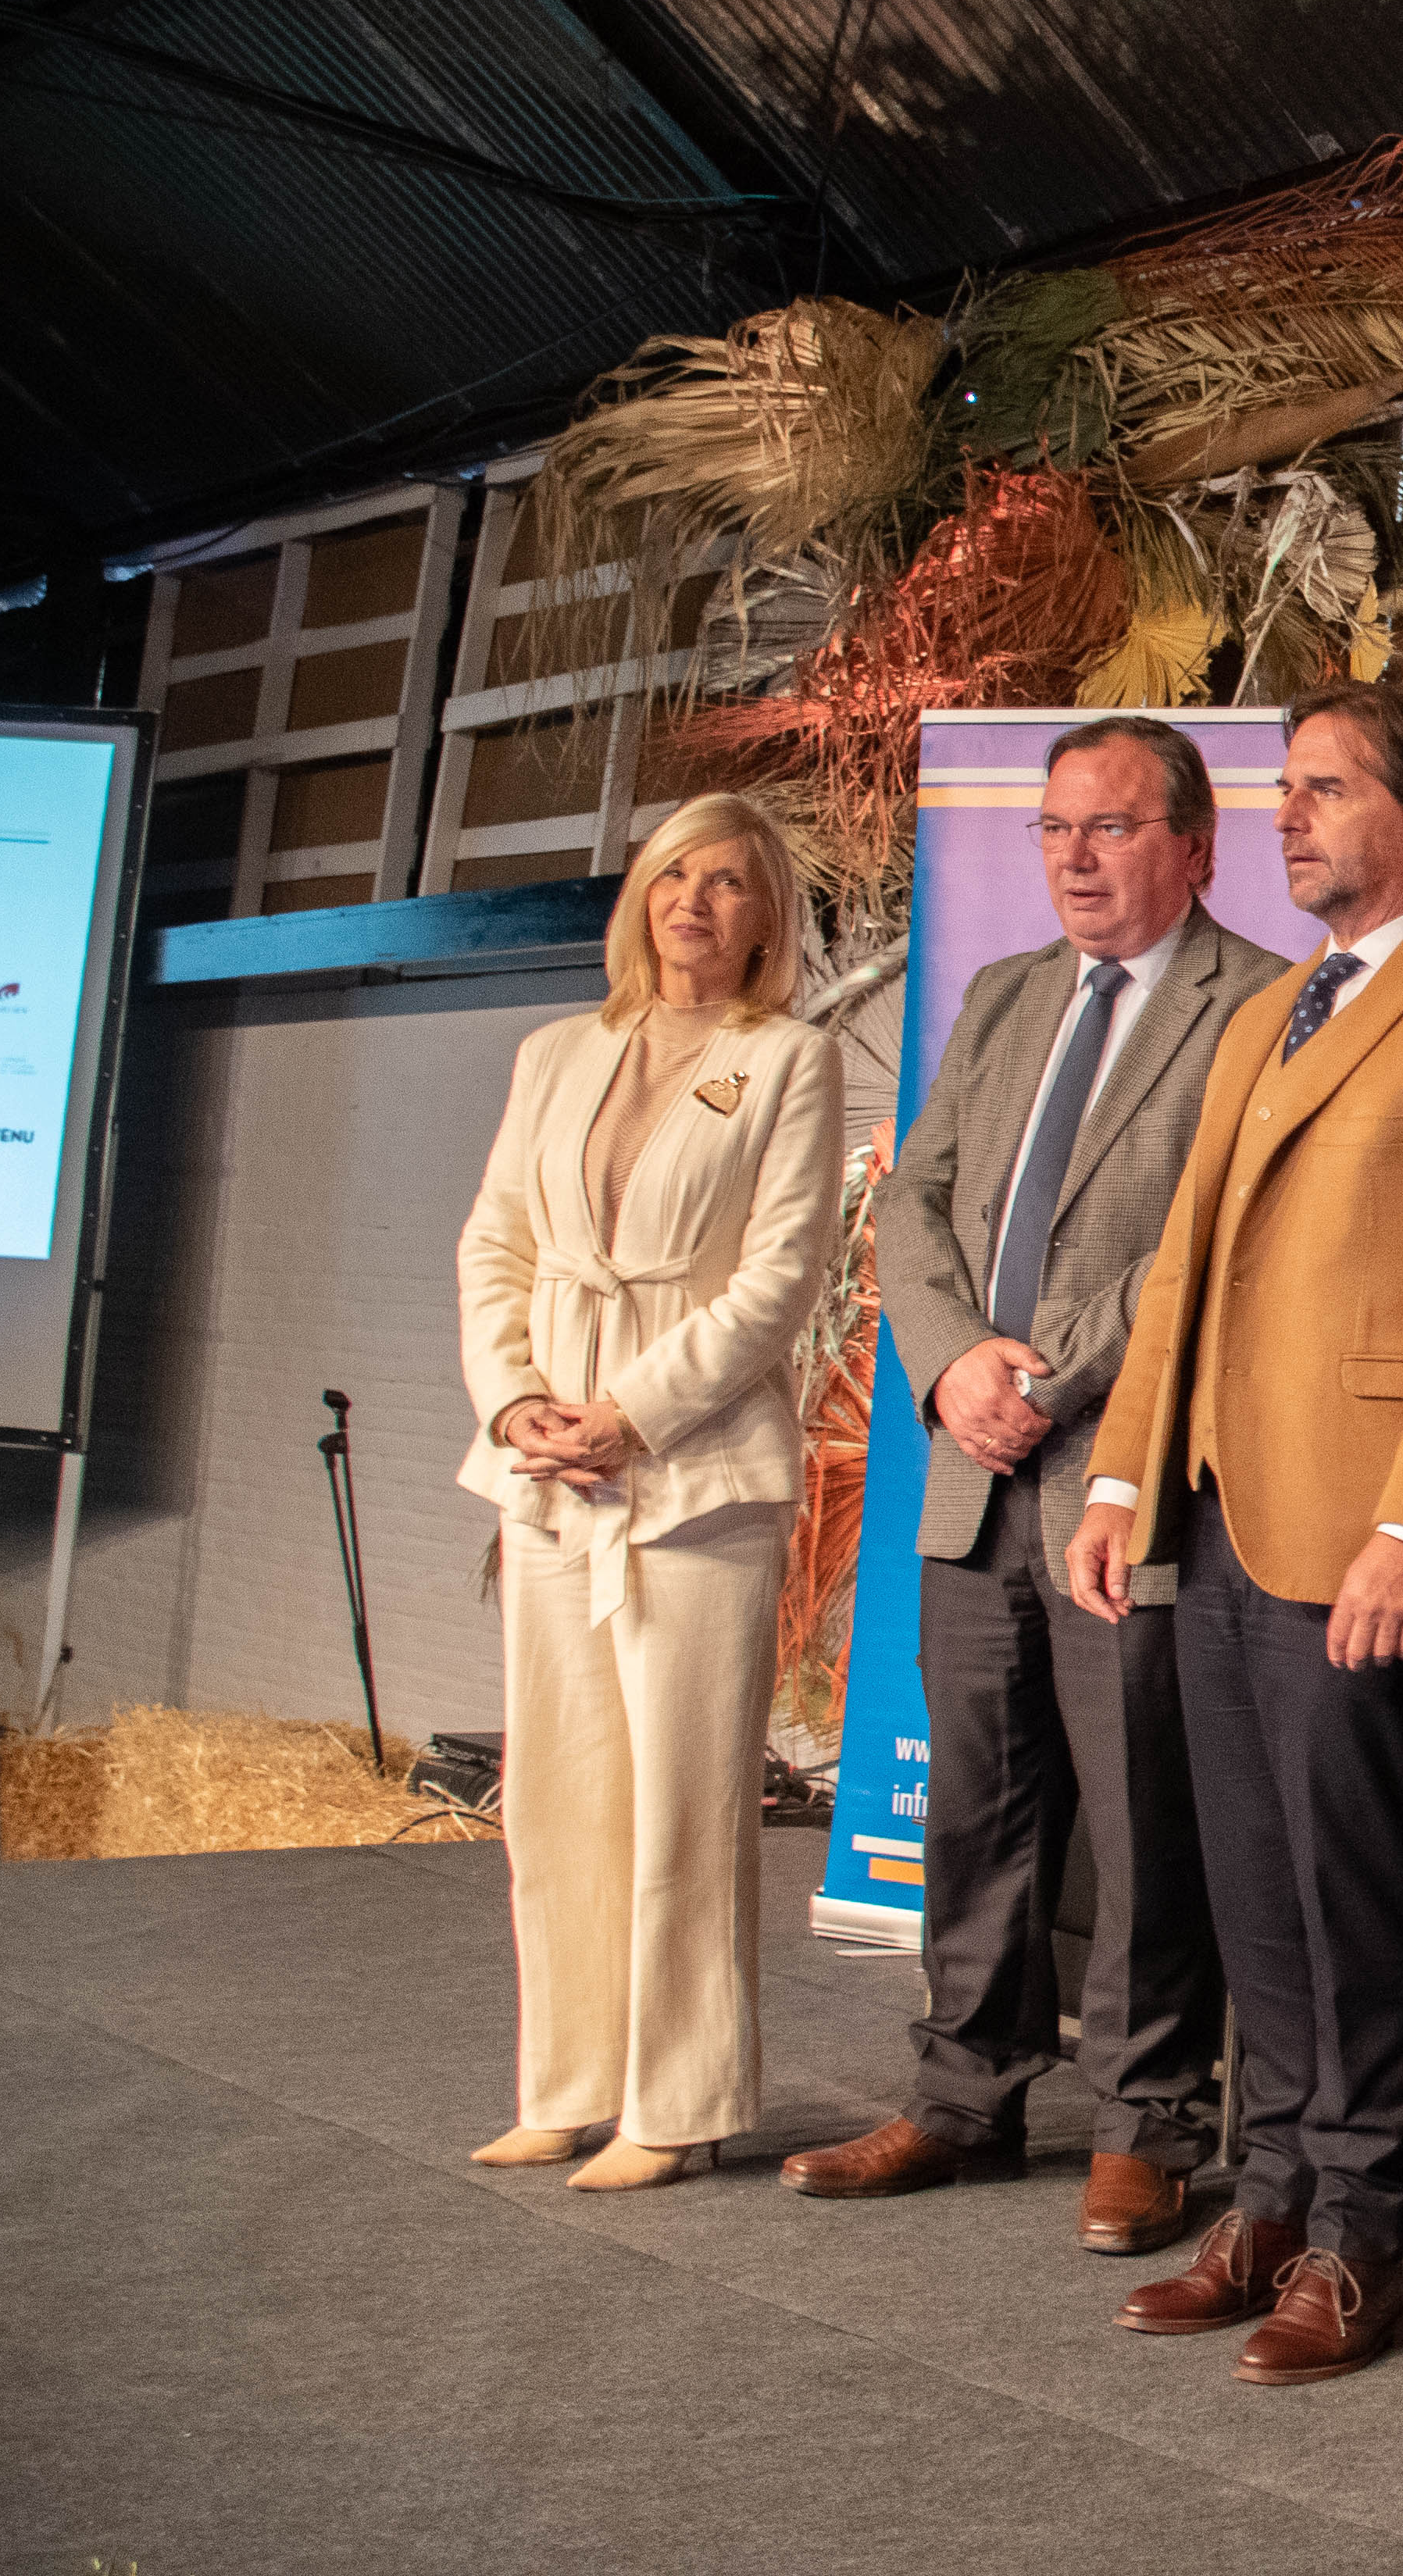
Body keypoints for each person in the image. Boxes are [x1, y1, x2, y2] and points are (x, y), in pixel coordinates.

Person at [1062, 678, 1403, 2385]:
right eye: (1281, 790)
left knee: (1354, 1893)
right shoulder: (1267, 1010)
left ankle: (1365, 2237)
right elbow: (1183, 1270)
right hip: (1218, 1510)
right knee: (1254, 1892)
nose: (1284, 817)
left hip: (1360, 1531)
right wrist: (1121, 1477)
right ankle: (1274, 2194)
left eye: (1324, 789)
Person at [781, 716, 1287, 2253]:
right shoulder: (1005, 995)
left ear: (1196, 846)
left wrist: (1041, 1369)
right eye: (1057, 827)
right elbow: (916, 1198)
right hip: (971, 1476)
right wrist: (948, 1367)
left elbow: (1208, 1236)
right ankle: (963, 2095)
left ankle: (1145, 2124)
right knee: (978, 1809)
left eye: (1112, 826)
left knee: (1143, 1822)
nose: (1074, 854)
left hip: (1128, 1478)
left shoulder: (1258, 1004)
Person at [454, 790, 844, 2192]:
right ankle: (565, 2085)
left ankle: (677, 2103)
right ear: (640, 897)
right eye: (674, 873)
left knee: (681, 1802)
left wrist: (631, 1413)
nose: (695, 900)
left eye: (729, 881)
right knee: (554, 1795)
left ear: (765, 919)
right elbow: (495, 1244)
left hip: (695, 1474)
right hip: (545, 1465)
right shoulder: (558, 1049)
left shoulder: (788, 1060)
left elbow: (780, 1276)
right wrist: (518, 1403)